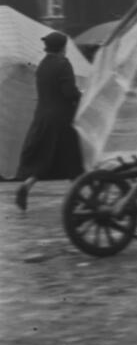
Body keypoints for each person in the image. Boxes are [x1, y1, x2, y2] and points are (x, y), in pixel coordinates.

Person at [14, 31, 83, 211]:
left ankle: (26, 186)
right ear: (62, 47)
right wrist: (81, 94)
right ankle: (77, 196)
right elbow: (69, 92)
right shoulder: (63, 64)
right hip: (62, 119)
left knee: (45, 158)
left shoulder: (42, 65)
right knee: (72, 157)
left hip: (43, 117)